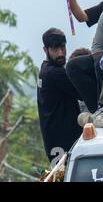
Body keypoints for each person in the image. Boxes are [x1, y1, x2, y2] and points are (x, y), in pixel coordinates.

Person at [37, 28, 81, 162]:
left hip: (54, 141)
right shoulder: (54, 73)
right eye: (55, 49)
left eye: (62, 47)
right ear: (46, 50)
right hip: (62, 143)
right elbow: (83, 94)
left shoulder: (45, 68)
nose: (61, 53)